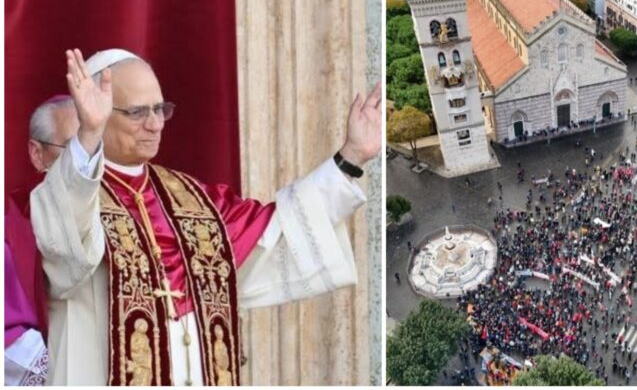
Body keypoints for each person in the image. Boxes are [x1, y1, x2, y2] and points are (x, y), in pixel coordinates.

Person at [30, 48, 381, 386]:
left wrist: (350, 158)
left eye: (160, 109)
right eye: (137, 112)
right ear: (101, 112)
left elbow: (277, 229)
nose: (155, 124)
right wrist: (88, 135)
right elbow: (66, 253)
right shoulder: (71, 191)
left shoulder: (193, 199)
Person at [5, 96, 79, 386]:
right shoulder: (10, 234)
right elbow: (9, 339)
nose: (90, 163)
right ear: (38, 154)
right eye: (74, 149)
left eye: (98, 148)